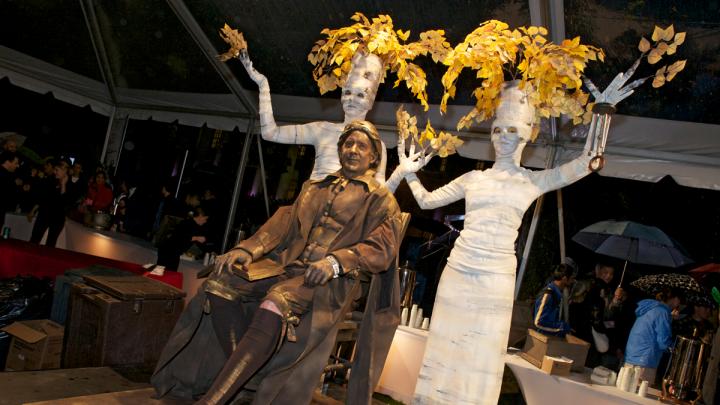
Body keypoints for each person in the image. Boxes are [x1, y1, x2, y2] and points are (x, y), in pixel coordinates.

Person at [388, 72, 637, 403]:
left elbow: (588, 163)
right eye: (497, 130)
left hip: (496, 279)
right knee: (442, 350)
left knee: (481, 356)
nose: (503, 137)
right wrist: (409, 173)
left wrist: (603, 114)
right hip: (458, 271)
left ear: (528, 134)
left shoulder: (531, 182)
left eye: (512, 130)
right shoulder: (473, 178)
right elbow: (425, 201)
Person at [151, 121, 403, 405]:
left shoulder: (381, 200)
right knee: (219, 284)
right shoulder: (315, 187)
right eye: (348, 144)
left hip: (336, 282)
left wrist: (335, 262)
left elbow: (382, 248)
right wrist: (248, 249)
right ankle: (249, 375)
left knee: (275, 301)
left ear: (373, 157)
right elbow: (282, 224)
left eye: (361, 146)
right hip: (288, 267)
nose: (353, 150)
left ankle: (214, 400)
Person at [239, 50, 390, 187]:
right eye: (348, 92)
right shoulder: (322, 129)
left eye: (360, 95)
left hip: (349, 215)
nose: (351, 99)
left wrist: (402, 173)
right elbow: (270, 133)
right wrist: (263, 86)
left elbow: (380, 195)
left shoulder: (376, 145)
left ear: (371, 101)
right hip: (310, 209)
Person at [622, 287, 684, 386]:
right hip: (646, 361)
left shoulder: (649, 307)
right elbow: (663, 343)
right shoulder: (662, 312)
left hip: (630, 357)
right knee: (638, 397)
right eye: (680, 301)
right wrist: (675, 349)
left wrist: (670, 318)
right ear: (676, 299)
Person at [29, 159, 79, 247]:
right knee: (34, 240)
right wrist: (33, 210)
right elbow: (42, 197)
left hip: (57, 218)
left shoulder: (71, 185)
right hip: (43, 215)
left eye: (57, 170)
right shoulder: (50, 179)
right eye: (55, 169)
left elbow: (65, 203)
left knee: (50, 244)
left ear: (65, 171)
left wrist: (63, 185)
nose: (54, 172)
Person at [155, 206, 210, 271]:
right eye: (205, 219)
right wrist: (196, 238)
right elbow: (179, 236)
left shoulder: (196, 226)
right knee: (162, 273)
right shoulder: (186, 223)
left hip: (174, 252)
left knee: (170, 274)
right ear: (200, 216)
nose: (205, 221)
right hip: (168, 251)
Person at [534, 263, 576, 337]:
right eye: (572, 278)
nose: (573, 281)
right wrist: (562, 327)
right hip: (541, 339)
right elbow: (538, 322)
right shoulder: (548, 295)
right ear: (565, 279)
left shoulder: (555, 293)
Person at [0, 151, 20, 229]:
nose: (17, 166)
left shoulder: (9, 176)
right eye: (16, 163)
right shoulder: (7, 177)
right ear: (8, 162)